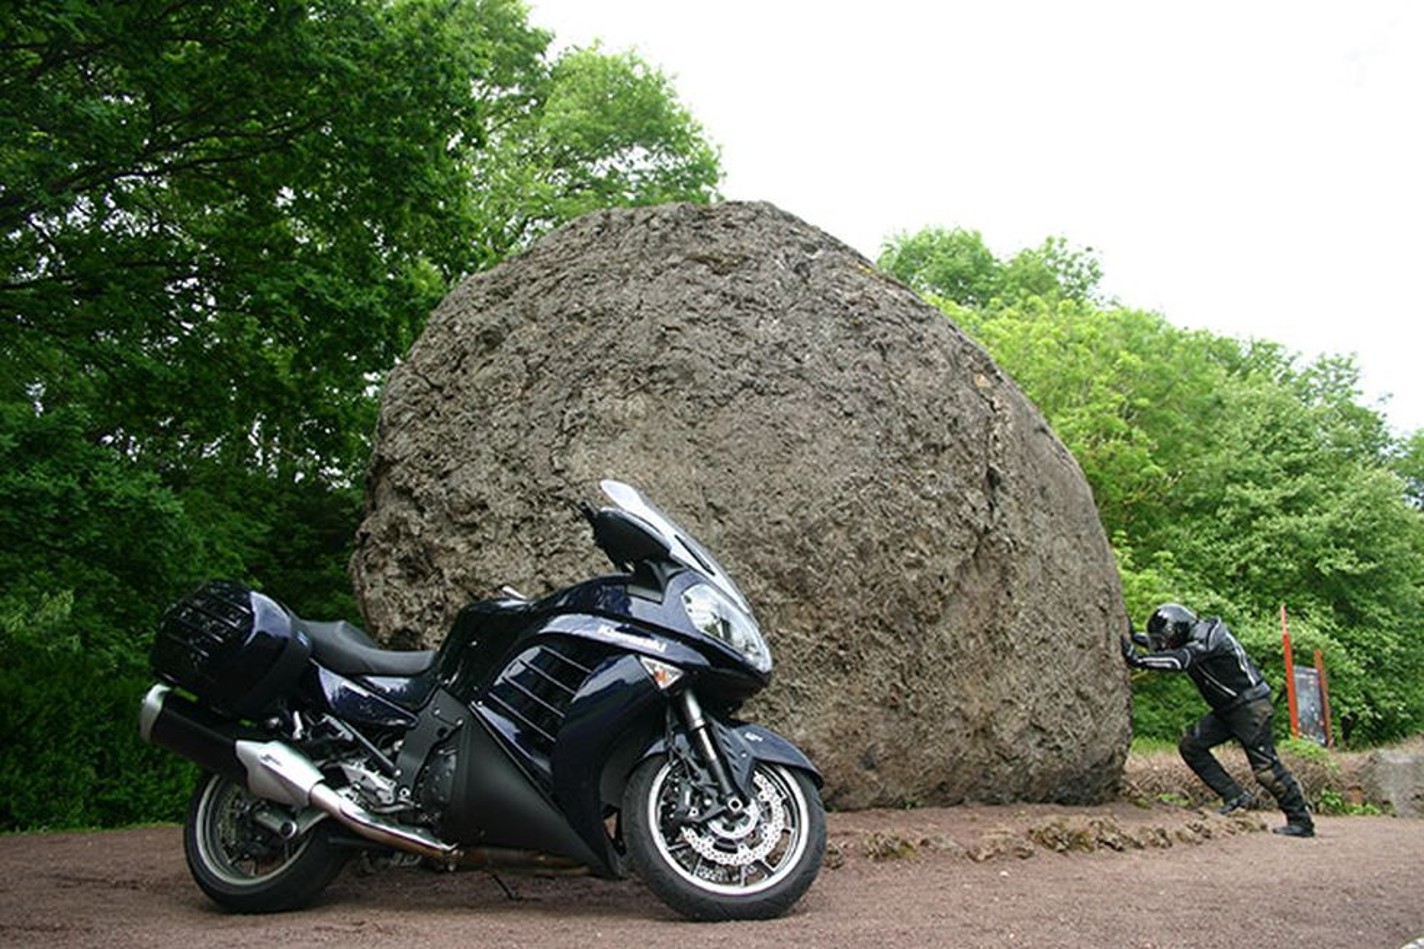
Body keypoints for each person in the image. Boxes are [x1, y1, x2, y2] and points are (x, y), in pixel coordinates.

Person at [1121, 603, 1315, 838]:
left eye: (1165, 639)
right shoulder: (1192, 638)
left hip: (1250, 706)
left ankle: (1300, 821)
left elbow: (1180, 659)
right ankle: (1235, 796)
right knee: (1191, 745)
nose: (1164, 645)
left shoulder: (1210, 637)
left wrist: (1139, 660)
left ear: (1178, 630)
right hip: (1227, 709)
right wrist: (1134, 636)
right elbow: (1170, 649)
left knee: (1265, 769)